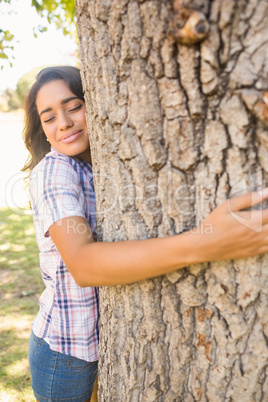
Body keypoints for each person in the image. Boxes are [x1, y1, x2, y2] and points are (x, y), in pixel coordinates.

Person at [22, 65, 268, 402]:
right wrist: (207, 243)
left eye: (74, 106)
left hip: (100, 344)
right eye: (49, 117)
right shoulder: (54, 171)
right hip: (65, 354)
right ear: (43, 129)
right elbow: (83, 264)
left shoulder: (94, 166)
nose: (63, 122)